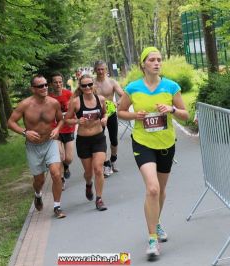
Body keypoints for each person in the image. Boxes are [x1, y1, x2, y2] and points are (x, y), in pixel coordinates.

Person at [117, 47, 189, 260]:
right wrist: (134, 116)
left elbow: (185, 115)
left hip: (166, 143)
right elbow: (120, 112)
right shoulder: (132, 88)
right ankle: (152, 239)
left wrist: (172, 110)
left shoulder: (171, 86)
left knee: (162, 189)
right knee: (152, 189)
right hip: (142, 143)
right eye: (152, 60)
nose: (157, 63)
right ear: (143, 64)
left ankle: (156, 222)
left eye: (159, 60)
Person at [7, 74, 66, 219]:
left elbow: (61, 120)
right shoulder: (25, 105)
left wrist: (57, 129)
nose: (44, 87)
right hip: (33, 147)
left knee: (56, 174)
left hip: (50, 142)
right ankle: (38, 194)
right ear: (33, 89)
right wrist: (25, 132)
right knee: (39, 180)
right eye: (40, 86)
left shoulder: (53, 103)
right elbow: (11, 122)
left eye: (46, 84)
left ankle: (57, 206)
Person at [64, 74, 108, 211]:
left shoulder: (100, 99)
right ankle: (89, 184)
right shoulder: (76, 102)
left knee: (98, 169)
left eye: (90, 84)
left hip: (98, 138)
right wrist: (77, 121)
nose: (88, 87)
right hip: (83, 141)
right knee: (88, 172)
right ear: (80, 87)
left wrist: (105, 119)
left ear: (93, 85)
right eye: (84, 85)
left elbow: (105, 113)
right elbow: (67, 119)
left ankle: (99, 199)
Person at [93, 60, 124, 177]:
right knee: (100, 139)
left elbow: (123, 95)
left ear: (106, 69)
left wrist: (117, 103)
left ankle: (113, 160)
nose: (101, 71)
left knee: (113, 139)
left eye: (103, 69)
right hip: (97, 115)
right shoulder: (92, 83)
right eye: (98, 69)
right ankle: (106, 164)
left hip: (110, 113)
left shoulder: (112, 82)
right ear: (95, 70)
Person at [49, 72, 76, 190]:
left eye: (60, 82)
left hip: (68, 128)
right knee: (60, 155)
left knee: (68, 158)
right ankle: (61, 180)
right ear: (51, 84)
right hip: (55, 129)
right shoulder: (49, 98)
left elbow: (75, 108)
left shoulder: (69, 94)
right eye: (55, 82)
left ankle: (66, 167)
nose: (58, 84)